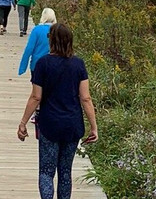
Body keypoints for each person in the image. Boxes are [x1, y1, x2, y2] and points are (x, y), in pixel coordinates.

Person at [17, 23, 98, 199]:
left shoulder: (43, 64)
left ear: (51, 40)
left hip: (49, 124)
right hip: (72, 125)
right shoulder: (78, 64)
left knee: (46, 171)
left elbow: (36, 97)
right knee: (65, 172)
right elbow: (85, 98)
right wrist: (93, 127)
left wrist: (23, 123)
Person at [18, 7, 56, 76]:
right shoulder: (57, 30)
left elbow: (29, 48)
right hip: (54, 64)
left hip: (37, 64)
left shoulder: (37, 30)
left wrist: (22, 67)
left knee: (37, 85)